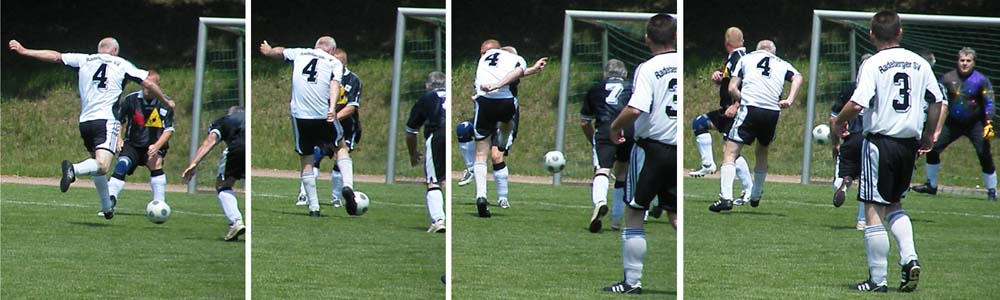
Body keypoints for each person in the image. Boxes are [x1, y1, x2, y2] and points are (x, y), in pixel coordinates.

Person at [834, 11, 946, 293]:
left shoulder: (872, 63)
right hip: (908, 145)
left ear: (871, 34)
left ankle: (877, 280)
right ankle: (909, 258)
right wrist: (929, 136)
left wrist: (840, 121)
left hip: (880, 142)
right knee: (895, 205)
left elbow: (858, 103)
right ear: (900, 32)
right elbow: (937, 100)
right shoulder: (920, 63)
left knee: (873, 210)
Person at [8, 38, 172, 219]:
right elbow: (148, 83)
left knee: (96, 164)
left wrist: (25, 51)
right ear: (115, 51)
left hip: (85, 122)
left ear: (99, 49)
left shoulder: (84, 59)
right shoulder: (122, 64)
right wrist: (166, 101)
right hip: (105, 121)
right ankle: (74, 170)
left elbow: (55, 56)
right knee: (102, 166)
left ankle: (107, 207)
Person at [603, 13, 678, 295]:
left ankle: (632, 282)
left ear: (646, 38)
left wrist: (614, 127)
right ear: (675, 37)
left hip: (651, 149)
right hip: (676, 149)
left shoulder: (648, 68)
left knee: (635, 212)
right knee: (674, 215)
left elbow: (636, 109)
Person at [260, 37, 359, 217]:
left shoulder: (300, 52)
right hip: (322, 114)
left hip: (300, 116)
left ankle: (314, 207)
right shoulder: (333, 61)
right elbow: (335, 84)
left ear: (316, 46)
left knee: (306, 158)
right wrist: (331, 108)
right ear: (331, 50)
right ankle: (348, 186)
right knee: (340, 147)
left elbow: (280, 50)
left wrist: (269, 50)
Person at [708, 40, 803, 212]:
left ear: (758, 49)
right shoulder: (782, 63)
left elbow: (731, 88)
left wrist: (743, 98)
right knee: (762, 150)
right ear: (773, 52)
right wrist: (789, 99)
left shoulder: (746, 59)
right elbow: (798, 77)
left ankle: (726, 198)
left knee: (730, 152)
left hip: (750, 108)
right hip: (772, 112)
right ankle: (756, 194)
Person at [471, 39, 546, 217]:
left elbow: (515, 74)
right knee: (505, 128)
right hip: (505, 103)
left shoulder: (486, 61)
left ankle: (483, 195)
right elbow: (517, 71)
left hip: (484, 103)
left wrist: (533, 71)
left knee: (483, 153)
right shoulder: (515, 58)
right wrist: (498, 85)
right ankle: (504, 140)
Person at [911, 47, 996, 201]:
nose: (964, 63)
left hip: (975, 123)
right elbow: (938, 100)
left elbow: (989, 101)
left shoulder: (981, 80)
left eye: (968, 61)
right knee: (933, 147)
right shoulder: (947, 78)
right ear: (957, 61)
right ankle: (931, 185)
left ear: (974, 62)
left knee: (984, 154)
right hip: (953, 123)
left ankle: (991, 190)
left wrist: (988, 121)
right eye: (962, 60)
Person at [689, 27, 754, 204]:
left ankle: (748, 190)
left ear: (726, 44)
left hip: (735, 110)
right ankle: (708, 164)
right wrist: (719, 75)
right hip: (726, 110)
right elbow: (729, 77)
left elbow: (748, 84)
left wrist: (736, 104)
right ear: (742, 41)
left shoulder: (741, 59)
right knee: (700, 124)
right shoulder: (736, 57)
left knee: (730, 152)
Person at [296, 48, 363, 207]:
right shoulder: (325, 74)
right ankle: (304, 195)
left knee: (338, 160)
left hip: (346, 127)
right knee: (315, 157)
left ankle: (337, 198)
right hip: (323, 124)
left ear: (344, 62)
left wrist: (332, 118)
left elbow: (352, 107)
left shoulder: (353, 80)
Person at [105, 71, 174, 217]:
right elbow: (118, 121)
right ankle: (109, 202)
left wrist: (157, 146)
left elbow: (168, 130)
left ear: (158, 85)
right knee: (121, 165)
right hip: (133, 144)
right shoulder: (131, 100)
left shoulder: (165, 103)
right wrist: (118, 139)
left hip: (154, 145)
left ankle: (159, 203)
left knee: (156, 163)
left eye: (152, 83)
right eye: (145, 82)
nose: (148, 86)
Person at [581, 59, 633, 232]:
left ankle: (600, 202)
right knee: (623, 170)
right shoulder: (631, 87)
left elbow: (584, 122)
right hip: (629, 129)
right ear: (624, 74)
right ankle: (617, 218)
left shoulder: (595, 88)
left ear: (605, 73)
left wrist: (592, 140)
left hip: (605, 128)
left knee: (603, 169)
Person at [182, 106, 247, 241]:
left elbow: (209, 141)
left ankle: (236, 222)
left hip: (239, 145)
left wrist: (194, 163)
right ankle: (236, 224)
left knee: (222, 185)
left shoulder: (224, 120)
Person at [832, 54, 872, 231]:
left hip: (851, 138)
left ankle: (845, 183)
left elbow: (833, 117)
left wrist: (835, 142)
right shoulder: (883, 86)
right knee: (867, 180)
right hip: (871, 138)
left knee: (843, 175)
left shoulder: (852, 88)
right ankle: (862, 220)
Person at [406, 71, 448, 233]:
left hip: (436, 135)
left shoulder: (426, 98)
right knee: (441, 177)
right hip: (450, 135)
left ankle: (438, 220)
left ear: (427, 85)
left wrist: (413, 153)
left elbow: (411, 131)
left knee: (433, 180)